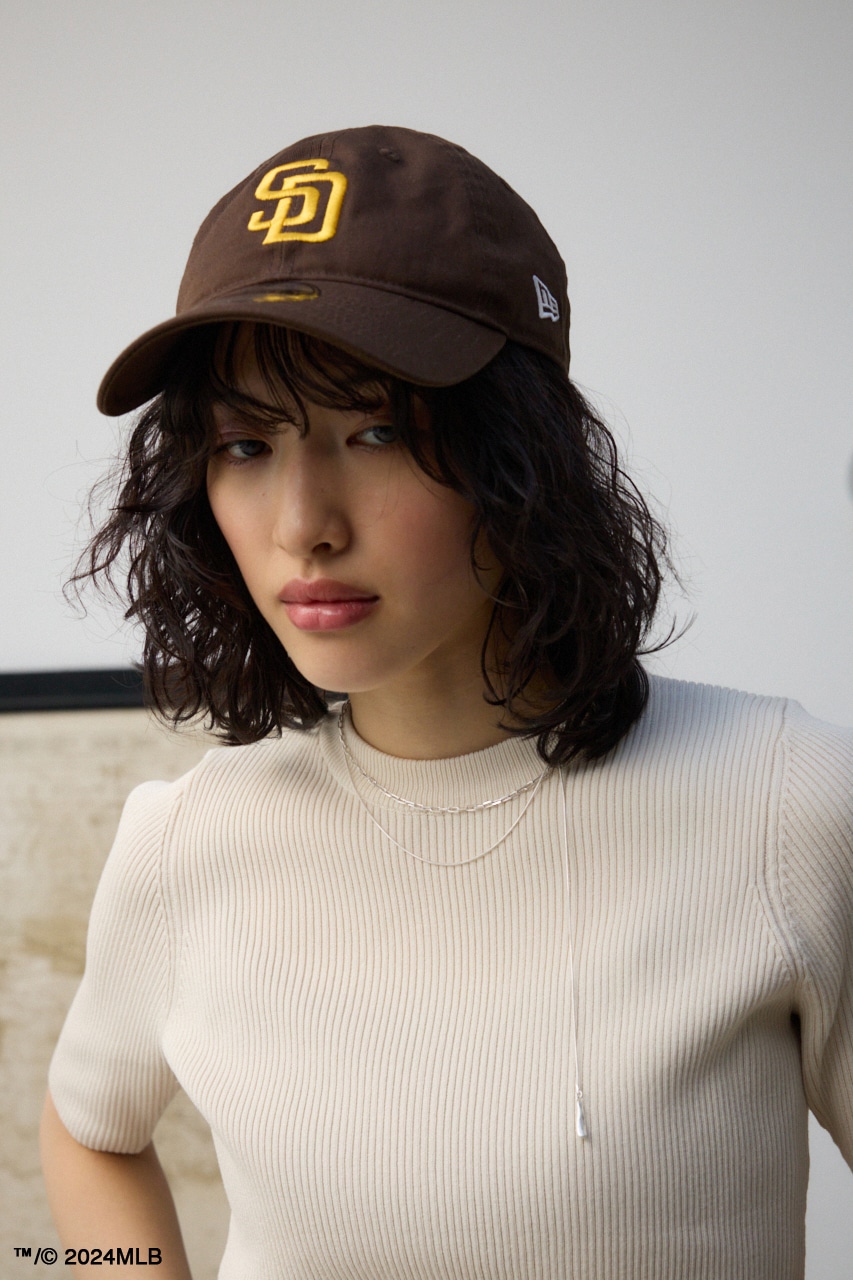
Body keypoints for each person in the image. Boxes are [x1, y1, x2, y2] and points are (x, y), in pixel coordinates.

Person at [41, 125, 853, 1280]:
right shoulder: (187, 840)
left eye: (376, 430)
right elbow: (88, 1126)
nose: (302, 524)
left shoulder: (785, 806)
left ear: (522, 453)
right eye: (245, 444)